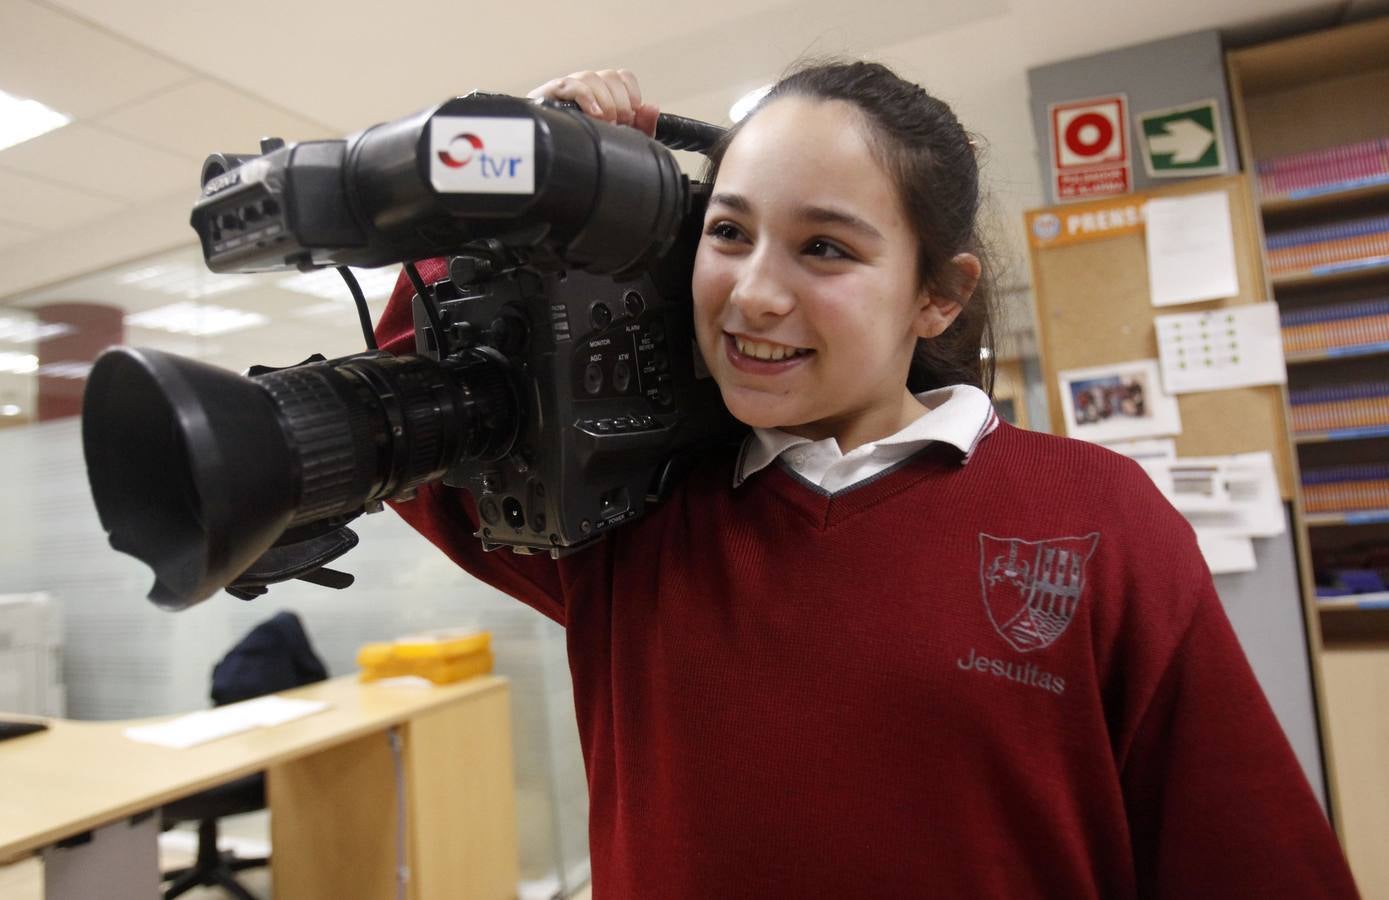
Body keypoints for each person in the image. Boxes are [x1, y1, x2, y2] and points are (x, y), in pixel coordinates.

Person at [374, 64, 1359, 898]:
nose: (755, 292)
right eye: (729, 233)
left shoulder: (1095, 515)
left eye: (825, 249)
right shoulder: (631, 516)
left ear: (938, 296)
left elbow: (1252, 859)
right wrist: (526, 177)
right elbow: (419, 417)